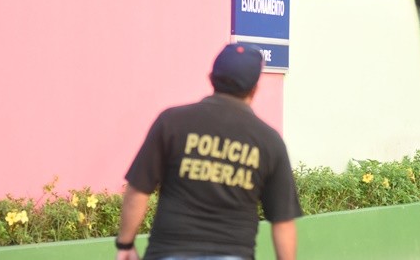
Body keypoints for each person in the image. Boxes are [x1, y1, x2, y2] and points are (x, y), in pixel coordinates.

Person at [115, 43, 302, 260]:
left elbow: (138, 190)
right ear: (254, 89)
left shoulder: (171, 123)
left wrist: (125, 243)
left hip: (168, 252)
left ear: (211, 78)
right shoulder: (268, 141)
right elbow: (283, 222)